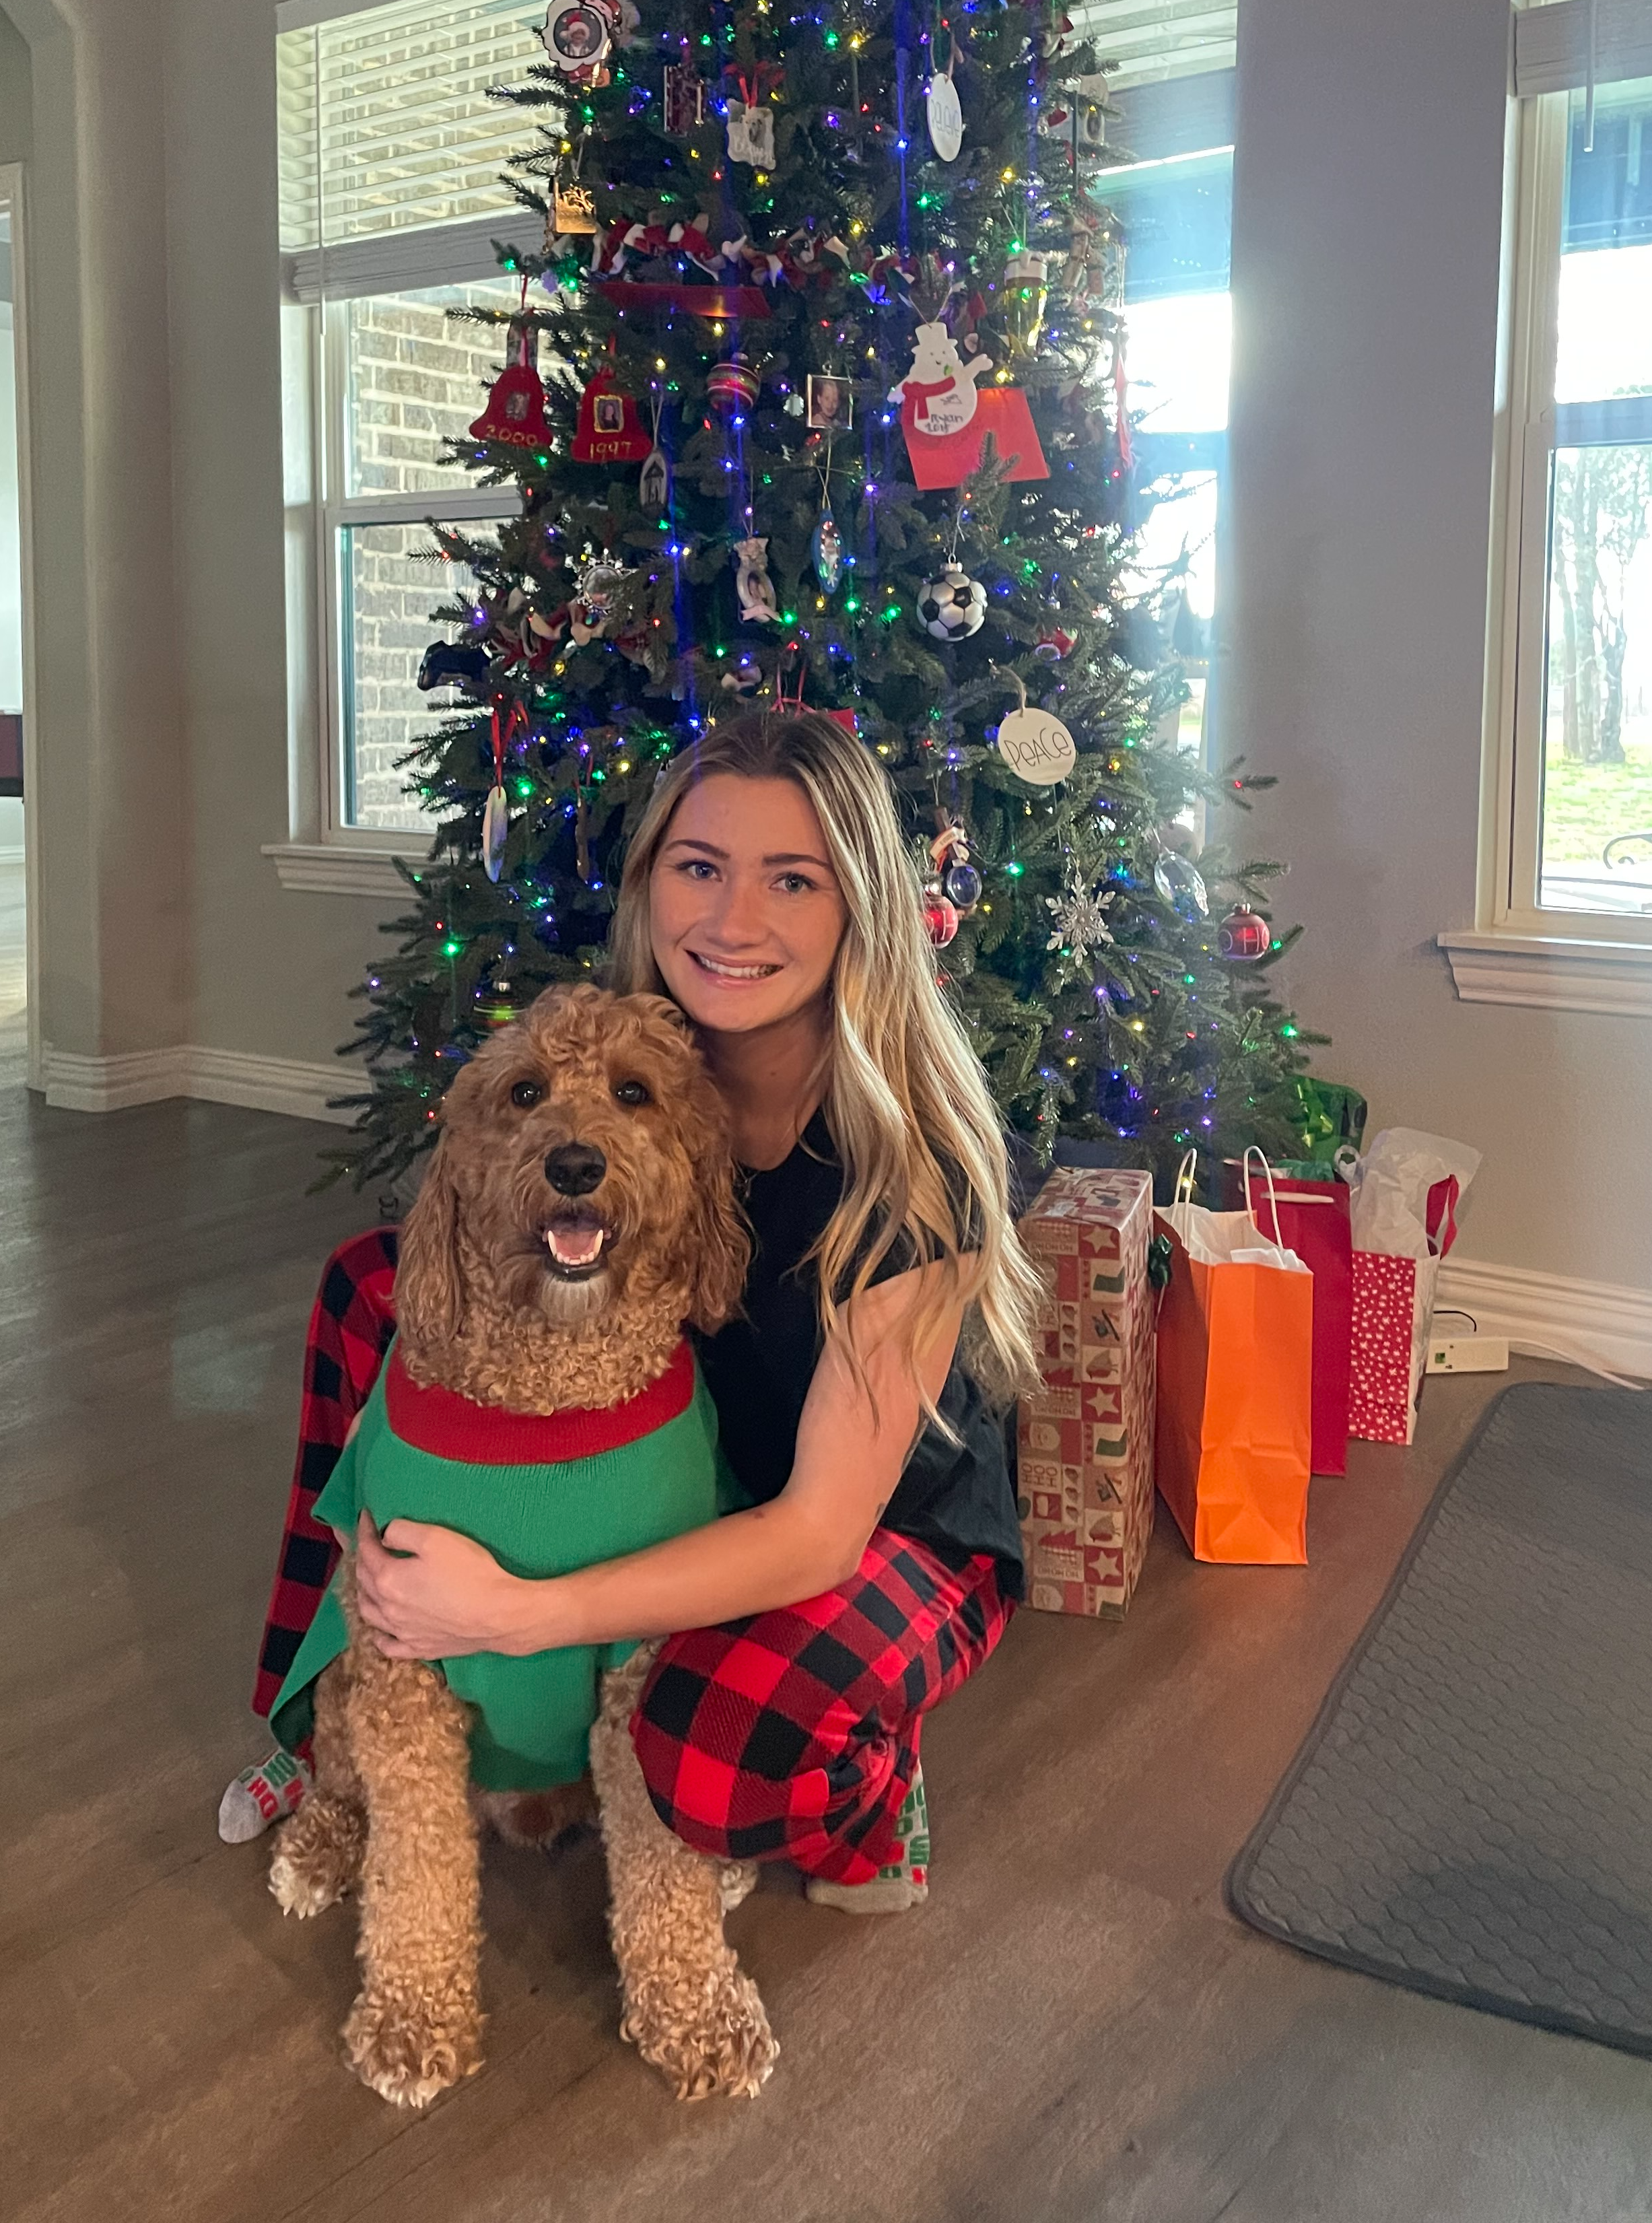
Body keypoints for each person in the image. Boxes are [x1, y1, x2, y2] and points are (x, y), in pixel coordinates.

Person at [229, 710, 1042, 1910]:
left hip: (879, 1524)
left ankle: (872, 1785)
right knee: (371, 1282)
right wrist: (404, 1584)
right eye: (699, 867)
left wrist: (515, 1614)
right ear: (649, 882)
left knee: (709, 1756)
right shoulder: (625, 1057)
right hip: (678, 1469)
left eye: (793, 880)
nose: (733, 922)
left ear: (858, 907)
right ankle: (320, 1723)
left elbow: (816, 1531)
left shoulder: (919, 1165)